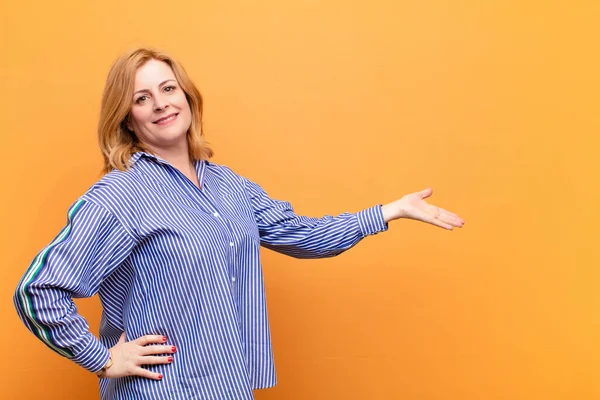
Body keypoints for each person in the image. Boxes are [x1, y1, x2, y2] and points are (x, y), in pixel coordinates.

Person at [14, 47, 465, 400]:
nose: (161, 104)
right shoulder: (120, 195)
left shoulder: (229, 185)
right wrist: (102, 358)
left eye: (168, 89)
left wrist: (389, 211)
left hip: (230, 386)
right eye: (141, 98)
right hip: (164, 393)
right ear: (126, 119)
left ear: (188, 96)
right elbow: (37, 290)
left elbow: (302, 234)